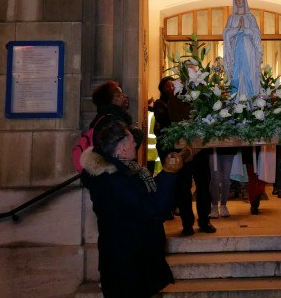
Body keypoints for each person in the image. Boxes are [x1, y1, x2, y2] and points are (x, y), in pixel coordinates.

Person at [80, 116, 184, 298]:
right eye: (131, 140)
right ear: (122, 149)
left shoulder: (118, 172)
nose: (136, 143)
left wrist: (166, 171)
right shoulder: (114, 181)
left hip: (132, 262)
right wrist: (169, 174)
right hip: (130, 268)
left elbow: (142, 198)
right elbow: (154, 209)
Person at [223, 0, 267, 215]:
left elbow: (257, 39)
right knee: (236, 82)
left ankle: (250, 109)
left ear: (245, 2)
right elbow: (226, 37)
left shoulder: (251, 18)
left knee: (249, 80)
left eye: (241, 0)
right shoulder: (231, 19)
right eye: (236, 0)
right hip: (236, 57)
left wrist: (247, 30)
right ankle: (237, 112)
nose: (239, 2)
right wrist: (235, 31)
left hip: (248, 55)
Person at [168, 88, 217, 236]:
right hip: (183, 148)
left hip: (200, 148)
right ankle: (187, 223)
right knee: (183, 188)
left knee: (203, 186)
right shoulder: (175, 94)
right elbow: (174, 119)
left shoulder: (202, 93)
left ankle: (204, 220)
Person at [90, 80, 144, 152]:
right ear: (112, 100)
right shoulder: (112, 121)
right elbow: (124, 148)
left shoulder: (103, 117)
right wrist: (137, 133)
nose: (125, 96)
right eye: (119, 95)